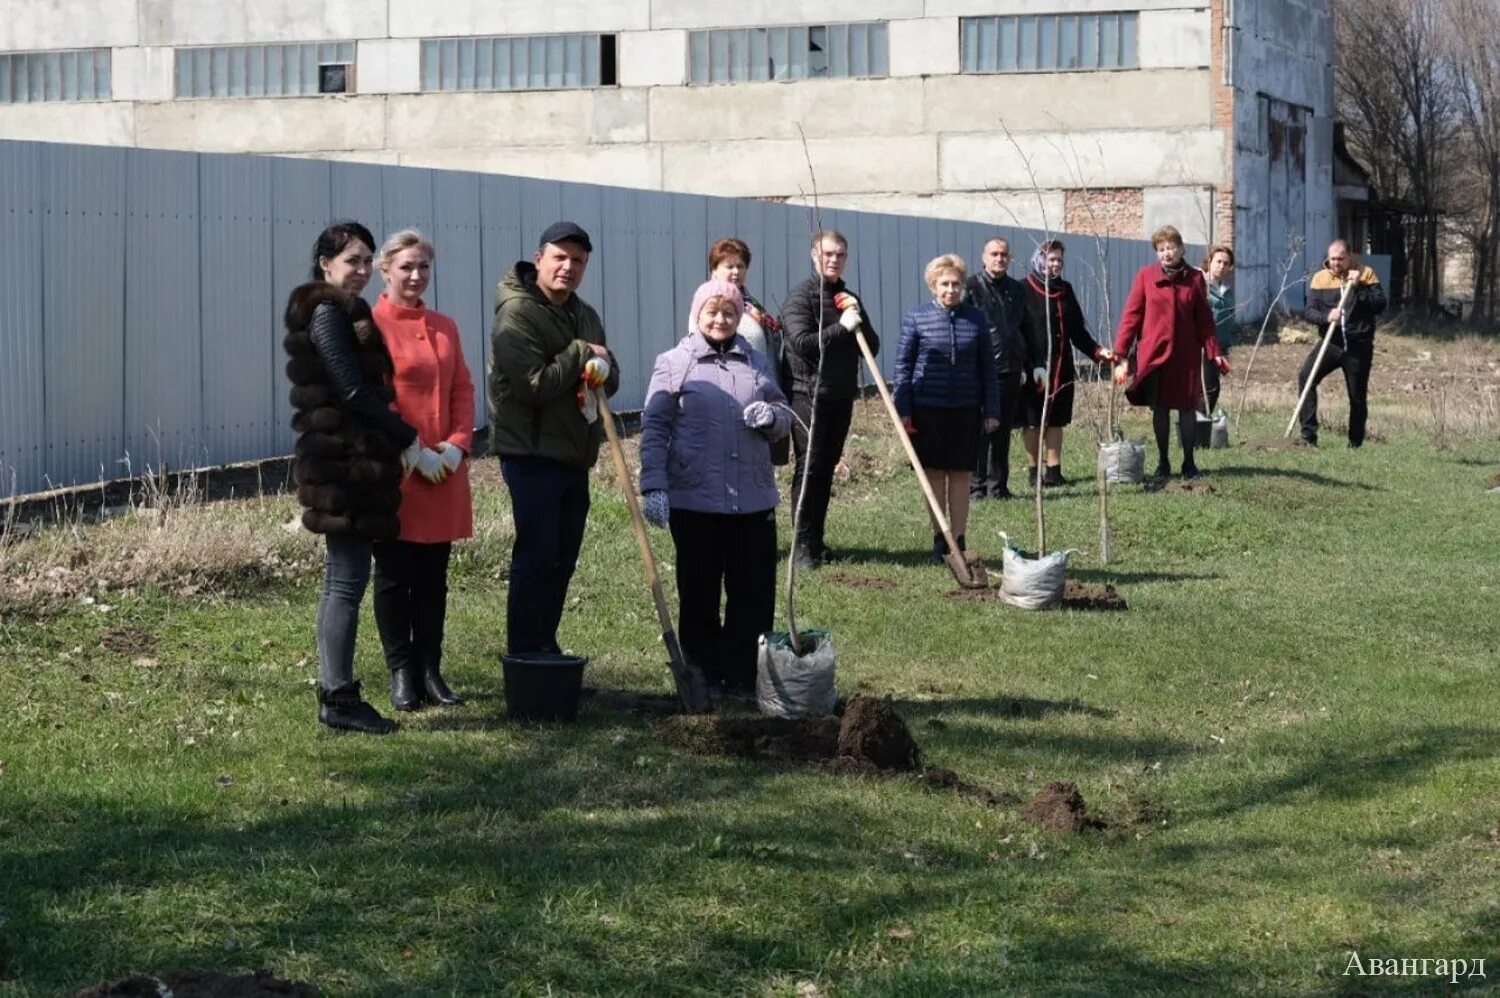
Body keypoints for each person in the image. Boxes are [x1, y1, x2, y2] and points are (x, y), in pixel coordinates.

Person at [284, 220, 432, 735]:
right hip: (341, 464)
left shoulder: (348, 312)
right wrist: (407, 436)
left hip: (350, 462)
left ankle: (337, 691)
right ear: (326, 264)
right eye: (353, 261)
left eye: (368, 260)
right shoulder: (326, 312)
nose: (363, 270)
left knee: (343, 580)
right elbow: (352, 392)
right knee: (346, 581)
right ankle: (339, 696)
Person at [638, 279, 791, 696]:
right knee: (700, 591)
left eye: (729, 312)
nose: (720, 319)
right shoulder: (674, 362)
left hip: (752, 501)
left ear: (739, 316)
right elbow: (654, 427)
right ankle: (703, 673)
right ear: (697, 314)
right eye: (712, 311)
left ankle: (743, 676)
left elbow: (783, 411)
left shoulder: (756, 361)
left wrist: (773, 418)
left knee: (753, 593)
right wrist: (654, 485)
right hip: (696, 501)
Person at [488, 222, 620, 655]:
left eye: (577, 261)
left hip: (572, 452)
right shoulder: (517, 313)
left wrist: (603, 368)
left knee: (562, 559)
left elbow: (609, 378)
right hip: (530, 452)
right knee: (537, 556)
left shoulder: (584, 313)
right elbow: (533, 385)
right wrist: (582, 353)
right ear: (539, 258)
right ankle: (525, 652)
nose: (568, 267)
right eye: (560, 258)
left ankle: (544, 643)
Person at [371, 229, 473, 711]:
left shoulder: (445, 325)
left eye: (424, 267)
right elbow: (375, 395)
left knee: (434, 575)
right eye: (407, 266)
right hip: (398, 469)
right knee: (394, 574)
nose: (416, 276)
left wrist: (455, 446)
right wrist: (411, 451)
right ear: (385, 269)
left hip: (444, 473)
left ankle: (431, 668)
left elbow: (463, 389)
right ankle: (402, 672)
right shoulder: (370, 326)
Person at [781, 229, 878, 569]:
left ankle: (816, 542)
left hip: (840, 395)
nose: (833, 259)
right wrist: (842, 327)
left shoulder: (847, 297)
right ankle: (801, 550)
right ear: (814, 255)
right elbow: (803, 343)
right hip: (807, 395)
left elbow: (872, 348)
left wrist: (858, 319)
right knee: (809, 469)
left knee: (825, 471)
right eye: (827, 254)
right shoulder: (801, 298)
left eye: (840, 255)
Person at [894, 255, 1000, 563]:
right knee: (935, 474)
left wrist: (992, 409)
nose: (951, 290)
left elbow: (987, 369)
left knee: (962, 475)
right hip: (928, 408)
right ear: (933, 286)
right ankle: (940, 538)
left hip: (966, 409)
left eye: (956, 284)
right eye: (945, 284)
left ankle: (959, 537)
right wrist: (903, 409)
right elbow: (903, 365)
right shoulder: (917, 318)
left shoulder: (976, 319)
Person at [1113, 226, 1229, 480]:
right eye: (1161, 249)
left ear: (1181, 249)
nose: (1166, 253)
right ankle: (1163, 463)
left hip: (1185, 356)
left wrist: (1214, 351)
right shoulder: (1145, 276)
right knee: (1161, 408)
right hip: (1154, 356)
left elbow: (1204, 320)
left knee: (1187, 407)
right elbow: (1131, 316)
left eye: (1171, 248)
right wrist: (1121, 354)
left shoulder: (1195, 278)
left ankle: (1189, 462)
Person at [1019, 239, 1114, 486]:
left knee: (1057, 419)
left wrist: (1097, 351)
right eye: (1050, 259)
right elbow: (1018, 331)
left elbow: (1077, 331)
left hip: (1062, 365)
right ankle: (1033, 474)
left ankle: (1053, 472)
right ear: (1039, 259)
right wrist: (1023, 364)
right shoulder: (1024, 289)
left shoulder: (1066, 289)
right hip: (1034, 367)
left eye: (1059, 260)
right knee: (1032, 419)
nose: (1055, 264)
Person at [1298, 239, 1387, 447]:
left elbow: (1380, 305)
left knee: (1356, 396)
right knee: (1306, 378)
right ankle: (1308, 437)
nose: (1336, 263)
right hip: (1331, 343)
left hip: (1358, 346)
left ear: (1349, 257)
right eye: (1332, 259)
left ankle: (1355, 443)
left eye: (1340, 258)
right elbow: (1309, 312)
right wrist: (1327, 316)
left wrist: (1358, 288)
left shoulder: (1366, 274)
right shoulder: (1320, 278)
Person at [709, 237, 789, 465]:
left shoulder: (749, 303)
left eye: (741, 266)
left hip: (761, 388)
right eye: (729, 266)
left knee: (758, 461)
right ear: (714, 270)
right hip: (730, 394)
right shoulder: (709, 304)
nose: (736, 272)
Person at [965, 237, 1033, 499]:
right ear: (984, 257)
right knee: (980, 430)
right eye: (994, 254)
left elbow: (1026, 328)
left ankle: (998, 486)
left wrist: (1034, 364)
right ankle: (976, 487)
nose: (999, 258)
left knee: (1003, 431)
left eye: (1004, 254)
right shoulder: (970, 287)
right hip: (980, 370)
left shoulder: (1017, 289)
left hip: (1010, 369)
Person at [1202, 245, 1237, 413]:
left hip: (1219, 346)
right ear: (1209, 262)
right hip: (1203, 346)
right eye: (1218, 261)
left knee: (1211, 388)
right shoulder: (1201, 285)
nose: (1222, 266)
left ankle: (1201, 425)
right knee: (1209, 388)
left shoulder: (1226, 291)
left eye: (1226, 263)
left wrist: (1225, 349)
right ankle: (1198, 426)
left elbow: (1228, 321)